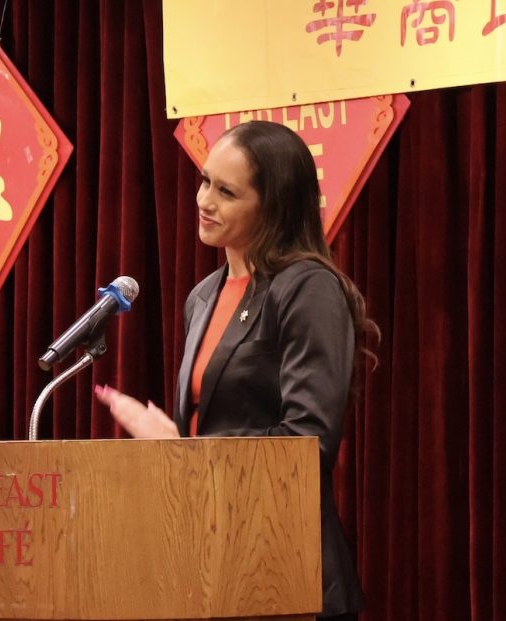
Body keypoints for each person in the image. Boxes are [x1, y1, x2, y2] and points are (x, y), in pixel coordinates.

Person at [94, 120, 375, 620]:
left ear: (273, 206)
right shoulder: (202, 298)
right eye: (204, 181)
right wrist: (174, 450)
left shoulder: (308, 290)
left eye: (226, 191)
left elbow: (307, 444)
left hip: (283, 570)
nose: (204, 200)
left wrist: (185, 453)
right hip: (206, 565)